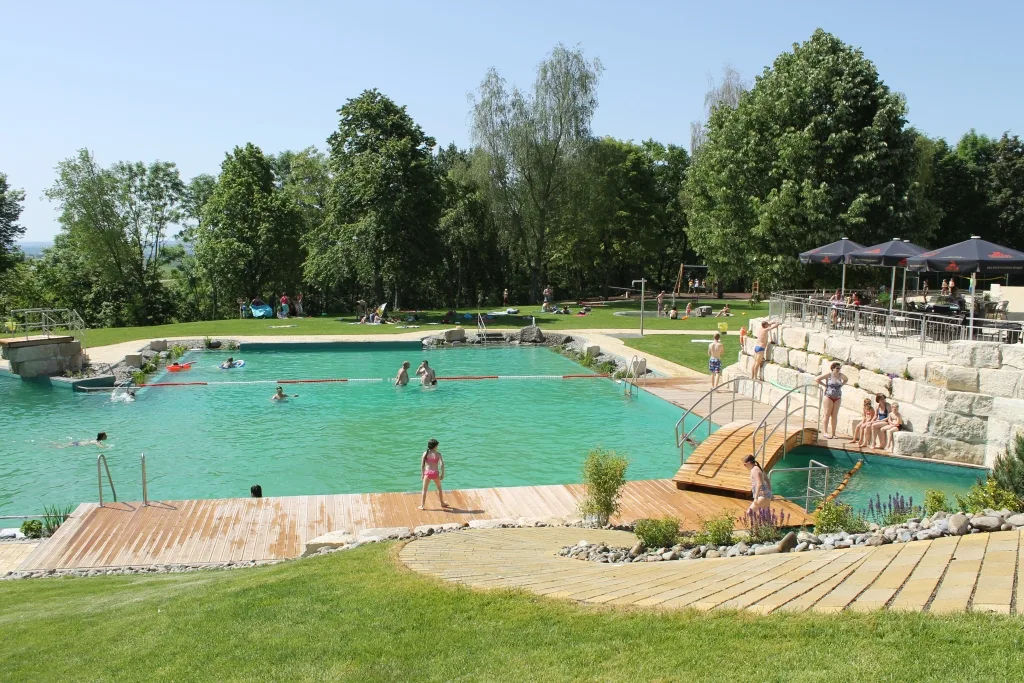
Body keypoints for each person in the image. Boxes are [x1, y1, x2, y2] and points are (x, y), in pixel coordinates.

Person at [816, 362, 848, 439]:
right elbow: (817, 379)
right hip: (828, 396)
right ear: (833, 368)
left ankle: (833, 433)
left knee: (834, 415)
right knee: (827, 414)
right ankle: (825, 432)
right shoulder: (829, 375)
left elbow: (846, 379)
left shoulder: (840, 375)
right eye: (837, 368)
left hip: (838, 397)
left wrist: (842, 385)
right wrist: (825, 385)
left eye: (839, 368)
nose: (838, 370)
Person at [418, 438, 450, 510]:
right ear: (435, 446)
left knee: (424, 490)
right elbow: (442, 464)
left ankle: (422, 505)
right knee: (439, 488)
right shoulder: (438, 454)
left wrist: (422, 474)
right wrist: (442, 474)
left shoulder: (425, 453)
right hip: (435, 473)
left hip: (427, 473)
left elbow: (422, 465)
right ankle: (442, 502)